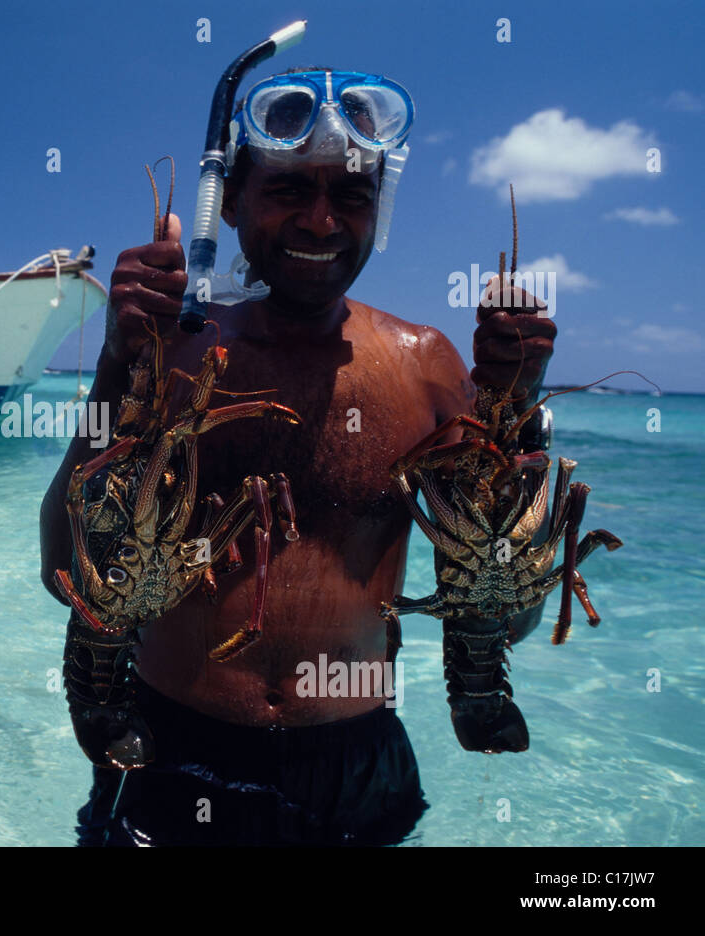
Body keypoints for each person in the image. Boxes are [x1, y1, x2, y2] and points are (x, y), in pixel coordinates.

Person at [38, 68, 558, 846]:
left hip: (359, 763)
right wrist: (118, 359)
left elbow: (510, 618)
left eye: (350, 196)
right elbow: (63, 570)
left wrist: (519, 415)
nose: (321, 221)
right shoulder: (174, 352)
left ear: (377, 213)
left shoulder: (428, 364)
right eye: (287, 191)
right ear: (238, 201)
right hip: (166, 745)